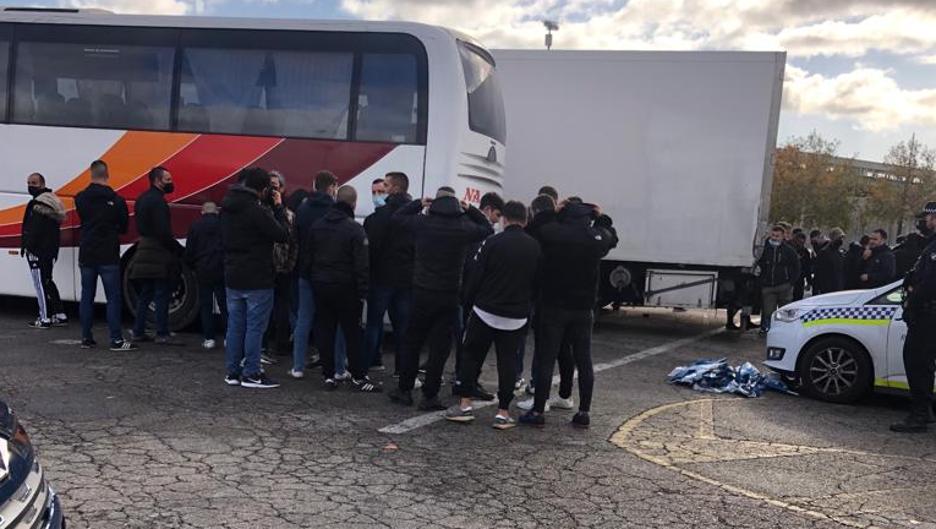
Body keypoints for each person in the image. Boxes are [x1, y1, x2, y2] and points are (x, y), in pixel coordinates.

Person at [387, 188, 493, 410]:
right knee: (439, 348)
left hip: (422, 291)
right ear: (457, 207)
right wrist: (471, 209)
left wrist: (418, 203)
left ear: (433, 205)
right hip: (448, 294)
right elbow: (487, 229)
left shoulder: (423, 223)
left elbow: (397, 218)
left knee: (412, 342)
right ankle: (430, 395)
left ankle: (405, 389)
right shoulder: (463, 227)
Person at [519, 198, 617, 429]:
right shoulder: (595, 238)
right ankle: (583, 412)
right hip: (583, 309)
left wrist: (553, 211)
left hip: (553, 305)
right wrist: (601, 217)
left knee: (546, 358)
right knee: (584, 360)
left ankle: (538, 410)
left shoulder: (553, 233)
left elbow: (533, 229)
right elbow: (613, 236)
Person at [446, 201, 541, 429]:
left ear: (504, 219)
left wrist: (468, 302)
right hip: (516, 315)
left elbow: (476, 276)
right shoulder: (535, 247)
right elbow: (538, 283)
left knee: (472, 356)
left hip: (485, 310)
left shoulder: (492, 242)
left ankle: (465, 405)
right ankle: (503, 412)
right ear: (526, 221)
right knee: (507, 363)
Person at [304, 185, 380, 392]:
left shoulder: (318, 225)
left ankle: (328, 375)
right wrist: (363, 292)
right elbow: (362, 264)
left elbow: (308, 256)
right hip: (347, 288)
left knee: (325, 330)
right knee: (352, 333)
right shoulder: (355, 229)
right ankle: (358, 376)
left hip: (321, 285)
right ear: (353, 203)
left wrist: (314, 279)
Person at [221, 167, 288, 389]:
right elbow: (281, 234)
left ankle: (233, 372)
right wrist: (278, 208)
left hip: (233, 274)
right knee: (255, 327)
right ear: (262, 189)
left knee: (235, 326)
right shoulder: (256, 211)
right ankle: (252, 373)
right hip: (257, 276)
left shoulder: (227, 207)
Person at [516, 193, 577, 411]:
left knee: (545, 352)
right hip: (574, 301)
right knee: (565, 352)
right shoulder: (580, 236)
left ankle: (539, 399)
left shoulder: (548, 232)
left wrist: (550, 213)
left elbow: (532, 230)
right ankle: (565, 395)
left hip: (549, 299)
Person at [75, 160, 136, 351]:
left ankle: (86, 337)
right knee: (113, 298)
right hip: (108, 253)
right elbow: (124, 227)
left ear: (91, 174)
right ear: (107, 174)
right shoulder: (117, 200)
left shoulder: (80, 198)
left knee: (87, 296)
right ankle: (116, 339)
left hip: (87, 252)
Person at [452, 191, 505, 400]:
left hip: (464, 292)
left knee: (465, 341)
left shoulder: (468, 227)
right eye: (496, 215)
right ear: (488, 210)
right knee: (468, 342)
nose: (497, 220)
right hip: (467, 294)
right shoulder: (477, 232)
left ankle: (463, 378)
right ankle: (464, 381)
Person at [890, 202, 936, 433]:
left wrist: (911, 303)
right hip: (927, 312)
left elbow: (930, 283)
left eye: (927, 218)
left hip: (928, 314)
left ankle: (918, 415)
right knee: (923, 363)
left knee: (917, 361)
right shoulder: (930, 246)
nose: (924, 222)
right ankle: (924, 411)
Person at [363, 172, 414, 374]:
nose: (382, 189)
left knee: (373, 324)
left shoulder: (377, 218)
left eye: (385, 184)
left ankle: (365, 368)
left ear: (394, 188)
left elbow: (370, 250)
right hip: (405, 279)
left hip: (381, 278)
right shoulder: (414, 216)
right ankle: (402, 371)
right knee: (403, 327)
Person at [291, 170, 340, 377]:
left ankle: (297, 367)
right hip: (330, 274)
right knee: (332, 321)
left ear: (314, 185)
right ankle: (337, 367)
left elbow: (296, 238)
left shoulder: (302, 209)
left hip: (306, 271)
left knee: (304, 319)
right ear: (330, 187)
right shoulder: (336, 210)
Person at [130, 166, 182, 345]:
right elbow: (163, 232)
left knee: (146, 293)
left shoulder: (142, 199)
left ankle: (138, 330)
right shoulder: (158, 202)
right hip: (158, 252)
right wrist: (177, 249)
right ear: (157, 181)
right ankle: (162, 332)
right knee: (162, 293)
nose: (171, 182)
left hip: (144, 249)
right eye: (167, 179)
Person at [21, 172, 67, 329]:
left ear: (42, 183)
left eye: (33, 183)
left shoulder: (36, 205)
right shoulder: (53, 200)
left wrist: (28, 247)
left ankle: (44, 317)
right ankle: (60, 314)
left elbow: (33, 230)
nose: (30, 186)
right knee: (47, 280)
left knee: (39, 283)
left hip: (38, 251)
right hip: (51, 250)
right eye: (28, 182)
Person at [265, 170, 298, 358]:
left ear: (282, 190)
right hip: (265, 267)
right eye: (269, 186)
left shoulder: (289, 215)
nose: (271, 190)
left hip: (283, 268)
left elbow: (293, 243)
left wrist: (289, 265)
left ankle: (280, 344)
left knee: (282, 308)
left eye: (275, 187)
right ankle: (264, 345)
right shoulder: (260, 211)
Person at [185, 202, 227, 349]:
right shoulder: (223, 225)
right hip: (220, 268)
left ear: (202, 212)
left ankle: (209, 338)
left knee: (206, 305)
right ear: (216, 211)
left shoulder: (195, 226)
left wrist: (192, 265)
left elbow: (189, 250)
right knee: (224, 304)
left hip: (202, 269)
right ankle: (228, 336)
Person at [757, 225, 801, 334]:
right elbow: (760, 264)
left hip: (784, 286)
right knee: (768, 312)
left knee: (785, 311)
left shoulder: (789, 251)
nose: (775, 238)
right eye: (773, 235)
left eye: (777, 236)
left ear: (783, 237)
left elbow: (797, 267)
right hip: (768, 286)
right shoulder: (765, 250)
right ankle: (769, 329)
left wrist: (791, 282)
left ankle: (784, 331)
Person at [813, 228, 845, 295]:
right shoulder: (824, 253)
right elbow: (818, 272)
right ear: (833, 238)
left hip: (838, 288)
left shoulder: (839, 253)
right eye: (839, 238)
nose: (841, 240)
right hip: (827, 289)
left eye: (842, 238)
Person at [790, 232, 812, 301]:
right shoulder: (789, 250)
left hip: (800, 279)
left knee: (797, 298)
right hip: (789, 279)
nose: (800, 243)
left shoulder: (805, 252)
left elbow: (807, 267)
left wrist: (809, 281)